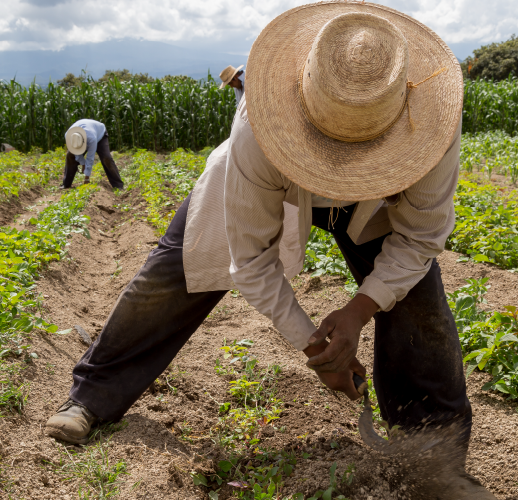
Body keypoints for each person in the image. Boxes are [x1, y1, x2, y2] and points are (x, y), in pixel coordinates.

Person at [46, 3, 493, 498]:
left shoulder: (431, 122)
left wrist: (359, 311)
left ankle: (434, 463)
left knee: (418, 304)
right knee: (175, 274)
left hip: (376, 207)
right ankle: (91, 396)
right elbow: (251, 261)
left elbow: (420, 239)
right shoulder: (260, 129)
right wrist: (315, 347)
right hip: (275, 182)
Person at [62, 119, 124, 190]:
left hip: (100, 134)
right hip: (87, 134)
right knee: (70, 155)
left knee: (106, 158)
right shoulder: (69, 136)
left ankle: (118, 186)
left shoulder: (91, 138)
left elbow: (90, 157)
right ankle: (66, 184)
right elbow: (76, 152)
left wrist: (87, 178)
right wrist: (83, 164)